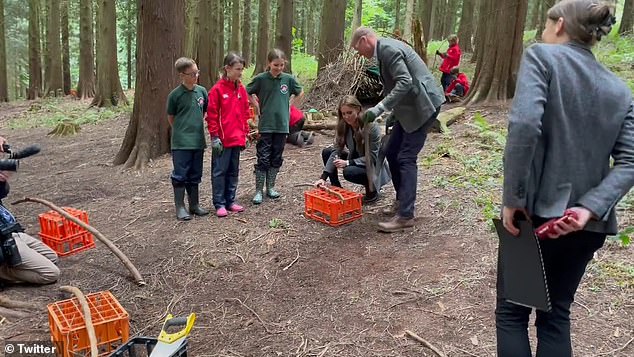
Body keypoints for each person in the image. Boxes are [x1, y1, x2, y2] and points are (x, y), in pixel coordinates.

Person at [499, 1, 631, 356]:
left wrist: (513, 199)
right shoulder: (620, 90)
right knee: (555, 316)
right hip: (585, 227)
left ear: (559, 25)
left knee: (513, 314)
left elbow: (525, 124)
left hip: (533, 217)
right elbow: (630, 162)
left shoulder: (542, 57)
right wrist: (589, 209)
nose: (543, 31)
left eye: (545, 24)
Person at [350, 26, 445, 232]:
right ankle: (402, 201)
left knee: (406, 157)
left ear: (365, 40)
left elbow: (405, 81)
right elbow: (400, 85)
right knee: (392, 152)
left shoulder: (388, 50)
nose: (360, 54)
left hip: (423, 106)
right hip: (411, 108)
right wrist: (395, 113)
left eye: (358, 49)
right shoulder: (385, 49)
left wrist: (380, 108)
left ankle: (406, 215)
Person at [246, 49, 304, 204]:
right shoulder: (261, 79)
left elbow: (300, 92)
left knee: (276, 156)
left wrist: (290, 106)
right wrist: (256, 105)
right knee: (263, 156)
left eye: (281, 65)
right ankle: (258, 190)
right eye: (275, 65)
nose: (278, 68)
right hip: (266, 124)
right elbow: (247, 91)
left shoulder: (288, 79)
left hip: (282, 125)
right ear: (269, 64)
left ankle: (270, 187)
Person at [313, 95, 391, 204]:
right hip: (356, 157)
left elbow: (373, 158)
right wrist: (323, 177)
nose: (346, 117)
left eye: (349, 113)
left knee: (349, 171)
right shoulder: (344, 125)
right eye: (343, 114)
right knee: (328, 152)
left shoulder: (371, 127)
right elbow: (337, 150)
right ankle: (336, 188)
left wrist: (348, 162)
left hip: (373, 164)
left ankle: (372, 191)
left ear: (358, 109)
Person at [206, 53, 250, 218]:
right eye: (238, 69)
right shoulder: (217, 90)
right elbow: (211, 115)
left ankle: (230, 200)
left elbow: (245, 112)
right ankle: (219, 203)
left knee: (233, 171)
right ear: (227, 68)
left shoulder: (241, 89)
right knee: (219, 171)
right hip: (222, 141)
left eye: (242, 69)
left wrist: (245, 133)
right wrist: (214, 136)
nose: (240, 73)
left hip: (237, 138)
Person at [167, 57, 210, 221]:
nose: (195, 76)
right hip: (181, 143)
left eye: (197, 72)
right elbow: (171, 117)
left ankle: (194, 205)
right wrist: (181, 130)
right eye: (191, 73)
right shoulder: (175, 95)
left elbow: (204, 111)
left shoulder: (202, 91)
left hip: (197, 141)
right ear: (181, 75)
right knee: (180, 174)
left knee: (195, 173)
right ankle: (180, 206)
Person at [0, 169, 60, 285]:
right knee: (51, 273)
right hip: (2, 243)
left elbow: (3, 192)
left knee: (52, 258)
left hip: (12, 233)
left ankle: (14, 264)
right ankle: (2, 271)